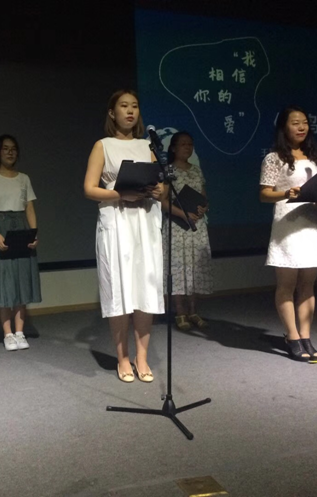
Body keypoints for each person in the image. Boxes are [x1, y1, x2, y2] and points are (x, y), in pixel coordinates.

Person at [83, 89, 164, 383]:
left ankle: (142, 357)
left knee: (145, 289)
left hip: (144, 220)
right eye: (124, 106)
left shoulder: (147, 146)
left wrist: (159, 190)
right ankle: (123, 358)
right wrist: (120, 194)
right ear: (112, 113)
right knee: (118, 288)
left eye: (135, 106)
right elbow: (89, 188)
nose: (130, 111)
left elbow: (160, 184)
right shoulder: (103, 146)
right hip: (117, 222)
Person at [259, 105, 317, 361]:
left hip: (311, 223)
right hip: (288, 224)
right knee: (287, 285)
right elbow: (264, 194)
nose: (301, 127)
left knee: (308, 285)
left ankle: (305, 337)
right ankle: (292, 337)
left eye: (304, 122)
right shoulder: (274, 158)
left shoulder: (312, 156)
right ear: (284, 127)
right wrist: (286, 193)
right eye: (295, 123)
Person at [0, 135, 41, 351]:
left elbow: (29, 207)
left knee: (21, 279)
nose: (10, 152)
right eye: (5, 149)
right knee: (3, 280)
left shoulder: (24, 178)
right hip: (0, 226)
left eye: (13, 149)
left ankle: (20, 332)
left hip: (20, 227)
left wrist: (33, 233)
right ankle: (8, 333)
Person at [161, 131, 213, 331]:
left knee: (194, 268)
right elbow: (162, 202)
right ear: (173, 148)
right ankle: (180, 312)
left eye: (190, 144)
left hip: (196, 226)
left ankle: (193, 311)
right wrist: (182, 214)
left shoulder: (197, 170)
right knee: (178, 269)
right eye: (183, 144)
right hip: (177, 227)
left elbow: (204, 197)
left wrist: (203, 208)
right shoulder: (169, 170)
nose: (187, 147)